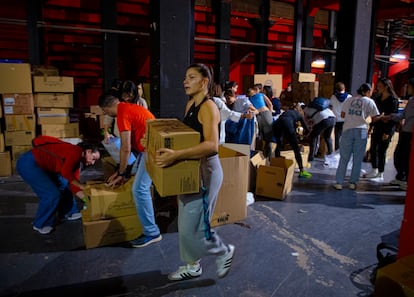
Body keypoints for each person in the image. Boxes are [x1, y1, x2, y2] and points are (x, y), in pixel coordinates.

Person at [155, 63, 235, 281]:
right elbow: (187, 137)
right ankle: (193, 265)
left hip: (206, 172)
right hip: (191, 171)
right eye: (184, 77)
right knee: (186, 225)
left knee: (195, 226)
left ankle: (223, 252)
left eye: (190, 77)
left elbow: (211, 145)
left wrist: (175, 155)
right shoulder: (190, 104)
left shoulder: (209, 108)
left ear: (204, 82)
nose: (184, 81)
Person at [99, 92, 162, 248]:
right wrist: (122, 172)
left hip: (152, 150)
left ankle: (152, 232)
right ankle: (147, 222)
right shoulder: (128, 107)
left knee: (139, 189)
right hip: (146, 149)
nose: (106, 114)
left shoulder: (122, 114)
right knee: (137, 182)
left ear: (107, 108)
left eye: (105, 112)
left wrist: (121, 172)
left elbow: (126, 149)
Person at [16, 136, 101, 234]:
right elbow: (66, 173)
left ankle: (68, 212)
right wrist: (82, 186)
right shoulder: (76, 151)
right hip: (30, 163)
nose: (92, 162)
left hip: (43, 166)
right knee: (51, 194)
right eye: (93, 158)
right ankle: (40, 224)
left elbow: (74, 185)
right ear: (89, 151)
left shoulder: (77, 163)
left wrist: (88, 200)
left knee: (64, 184)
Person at [334, 83, 381, 190]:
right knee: (357, 158)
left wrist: (352, 115)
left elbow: (342, 115)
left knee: (344, 158)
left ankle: (339, 182)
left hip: (347, 130)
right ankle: (353, 183)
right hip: (361, 131)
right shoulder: (370, 101)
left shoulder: (349, 99)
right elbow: (375, 118)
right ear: (367, 92)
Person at [364, 78, 399, 179]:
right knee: (373, 148)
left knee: (382, 150)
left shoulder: (393, 100)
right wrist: (371, 127)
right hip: (377, 126)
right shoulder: (377, 98)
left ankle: (381, 171)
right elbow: (375, 114)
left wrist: (387, 132)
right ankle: (374, 169)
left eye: (380, 86)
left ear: (386, 86)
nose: (377, 88)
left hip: (387, 129)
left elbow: (393, 117)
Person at [384, 77, 414, 191]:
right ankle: (401, 177)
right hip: (405, 132)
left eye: (409, 86)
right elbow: (402, 115)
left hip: (411, 133)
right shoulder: (411, 100)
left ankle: (407, 180)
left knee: (407, 158)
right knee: (399, 155)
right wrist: (390, 116)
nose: (407, 88)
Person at [273, 103, 312, 178]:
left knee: (279, 144)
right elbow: (306, 129)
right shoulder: (299, 115)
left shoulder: (287, 112)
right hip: (287, 124)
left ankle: (277, 166)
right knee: (296, 148)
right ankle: (301, 171)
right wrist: (303, 136)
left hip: (277, 124)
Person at [248, 86, 274, 158]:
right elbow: (270, 104)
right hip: (265, 113)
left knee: (260, 136)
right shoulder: (261, 95)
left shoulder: (250, 99)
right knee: (267, 137)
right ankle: (268, 157)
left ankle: (261, 157)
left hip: (258, 115)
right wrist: (270, 112)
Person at [330, 82, 352, 151]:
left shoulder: (333, 97)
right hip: (346, 120)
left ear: (336, 90)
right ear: (344, 88)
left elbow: (330, 107)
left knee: (337, 137)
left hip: (337, 120)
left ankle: (337, 152)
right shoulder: (349, 97)